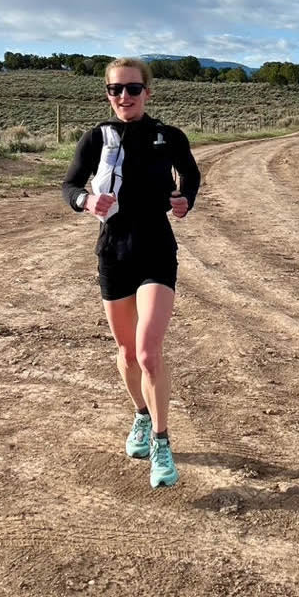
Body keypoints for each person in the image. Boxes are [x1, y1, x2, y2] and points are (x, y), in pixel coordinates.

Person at [62, 58, 200, 488]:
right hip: (114, 253)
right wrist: (86, 201)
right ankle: (141, 415)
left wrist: (186, 199)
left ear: (147, 92)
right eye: (115, 89)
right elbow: (70, 185)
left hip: (156, 249)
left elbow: (190, 174)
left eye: (133, 89)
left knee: (147, 353)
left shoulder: (168, 136)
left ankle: (161, 441)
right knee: (125, 353)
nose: (124, 96)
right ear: (107, 94)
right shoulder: (96, 138)